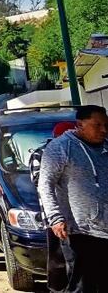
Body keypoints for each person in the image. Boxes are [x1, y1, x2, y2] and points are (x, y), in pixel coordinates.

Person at [39, 104, 108, 291]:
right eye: (97, 125)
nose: (103, 130)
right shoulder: (61, 148)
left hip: (105, 229)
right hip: (80, 231)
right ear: (80, 124)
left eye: (106, 125)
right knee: (82, 286)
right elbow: (45, 184)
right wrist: (55, 217)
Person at [30, 120, 79, 293]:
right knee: (58, 258)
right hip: (55, 215)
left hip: (79, 217)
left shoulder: (79, 150)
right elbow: (41, 181)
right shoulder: (41, 154)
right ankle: (57, 289)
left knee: (76, 257)